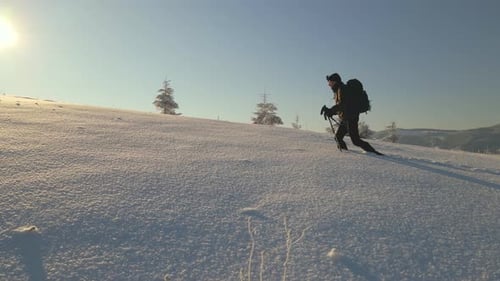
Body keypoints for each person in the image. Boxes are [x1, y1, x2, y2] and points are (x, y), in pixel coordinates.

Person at [321, 73, 383, 155]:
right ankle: (345, 154)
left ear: (335, 82)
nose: (329, 85)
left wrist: (331, 111)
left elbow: (343, 105)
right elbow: (342, 107)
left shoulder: (342, 89)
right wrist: (330, 111)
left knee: (356, 140)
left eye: (330, 82)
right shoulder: (338, 90)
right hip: (346, 118)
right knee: (338, 137)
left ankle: (374, 153)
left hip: (351, 118)